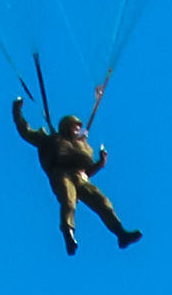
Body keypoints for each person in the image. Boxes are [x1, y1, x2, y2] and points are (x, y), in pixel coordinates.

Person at [12, 96, 143, 256]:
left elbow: (87, 172)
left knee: (102, 202)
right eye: (75, 127)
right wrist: (17, 110)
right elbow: (25, 131)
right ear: (67, 126)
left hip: (81, 177)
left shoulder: (82, 145)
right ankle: (68, 234)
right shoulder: (50, 140)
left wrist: (100, 163)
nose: (77, 130)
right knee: (69, 201)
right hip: (61, 174)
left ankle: (121, 233)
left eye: (78, 128)